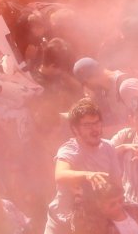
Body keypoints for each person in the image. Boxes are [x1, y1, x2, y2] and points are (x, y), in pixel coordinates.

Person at [44, 99, 124, 234]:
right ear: (75, 129)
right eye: (87, 125)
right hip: (62, 223)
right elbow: (60, 175)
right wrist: (88, 175)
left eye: (97, 123)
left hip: (93, 222)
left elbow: (117, 184)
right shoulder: (70, 149)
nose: (95, 129)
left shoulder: (108, 147)